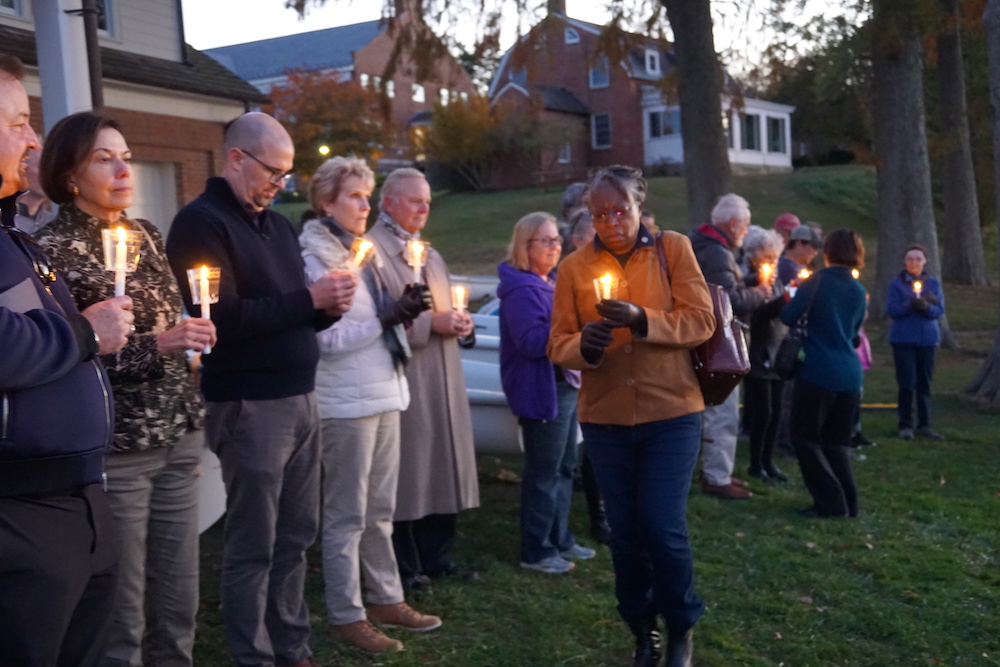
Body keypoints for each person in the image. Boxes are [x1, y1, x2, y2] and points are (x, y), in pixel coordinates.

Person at [166, 112, 356, 667]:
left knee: (297, 534)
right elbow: (221, 318)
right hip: (249, 402)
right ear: (236, 159)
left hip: (300, 394)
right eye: (273, 172)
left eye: (287, 175)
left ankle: (292, 645)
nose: (280, 184)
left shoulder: (277, 225)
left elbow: (290, 310)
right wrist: (310, 302)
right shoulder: (199, 224)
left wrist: (324, 310)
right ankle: (254, 654)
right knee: (254, 541)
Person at [33, 112, 216, 667]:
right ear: (69, 175)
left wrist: (191, 344)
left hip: (178, 430)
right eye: (103, 158)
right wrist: (158, 346)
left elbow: (164, 325)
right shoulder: (52, 251)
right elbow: (69, 361)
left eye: (126, 157)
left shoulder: (145, 235)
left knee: (180, 593)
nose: (121, 169)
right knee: (124, 605)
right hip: (122, 447)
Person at [548, 165, 715, 667]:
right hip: (607, 419)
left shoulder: (673, 250)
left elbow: (702, 320)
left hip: (671, 411)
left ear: (640, 206)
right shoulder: (575, 267)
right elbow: (557, 343)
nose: (611, 222)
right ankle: (642, 630)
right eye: (600, 213)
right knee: (625, 532)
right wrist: (587, 346)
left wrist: (644, 320)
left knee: (662, 526)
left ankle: (681, 624)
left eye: (620, 210)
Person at [0, 54, 133, 667]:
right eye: (19, 122)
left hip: (80, 501)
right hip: (22, 519)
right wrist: (84, 333)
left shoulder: (13, 240)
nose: (32, 138)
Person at [299, 156, 441, 654]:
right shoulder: (316, 259)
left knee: (381, 508)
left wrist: (405, 312)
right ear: (327, 203)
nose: (366, 204)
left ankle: (385, 597)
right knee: (345, 515)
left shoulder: (366, 253)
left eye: (367, 194)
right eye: (356, 196)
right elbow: (328, 342)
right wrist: (385, 318)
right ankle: (346, 613)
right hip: (344, 402)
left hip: (385, 390)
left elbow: (381, 324)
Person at [366, 168, 480, 594]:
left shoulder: (428, 253)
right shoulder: (374, 251)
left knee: (440, 466)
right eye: (415, 200)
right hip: (406, 376)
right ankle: (406, 564)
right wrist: (434, 321)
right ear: (388, 202)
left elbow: (446, 306)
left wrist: (461, 322)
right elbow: (378, 318)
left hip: (443, 374)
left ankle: (437, 554)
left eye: (428, 201)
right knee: (410, 472)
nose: (424, 208)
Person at [498, 211, 596, 574]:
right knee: (544, 470)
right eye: (547, 240)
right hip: (542, 387)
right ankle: (536, 550)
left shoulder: (550, 282)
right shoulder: (521, 288)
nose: (556, 246)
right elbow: (529, 342)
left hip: (565, 384)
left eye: (557, 239)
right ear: (526, 245)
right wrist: (573, 323)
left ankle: (561, 538)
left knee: (567, 466)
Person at [780, 229, 867, 518]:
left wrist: (790, 293)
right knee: (836, 442)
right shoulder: (858, 290)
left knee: (804, 438)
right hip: (851, 374)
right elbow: (854, 333)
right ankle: (849, 502)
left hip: (819, 369)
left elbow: (789, 316)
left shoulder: (817, 281)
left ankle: (830, 501)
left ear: (828, 251)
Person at [689, 193, 770, 500]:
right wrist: (760, 292)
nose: (746, 233)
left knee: (713, 411)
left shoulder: (704, 246)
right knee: (721, 412)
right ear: (733, 223)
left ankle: (717, 471)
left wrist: (747, 281)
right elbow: (728, 302)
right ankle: (716, 476)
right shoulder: (716, 253)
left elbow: (724, 287)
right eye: (745, 226)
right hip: (715, 346)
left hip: (703, 342)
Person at [739, 226, 789, 483]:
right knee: (764, 412)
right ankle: (756, 463)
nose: (771, 262)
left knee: (777, 411)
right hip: (757, 352)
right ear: (753, 256)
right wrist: (781, 303)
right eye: (766, 257)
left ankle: (769, 461)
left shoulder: (776, 280)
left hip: (778, 351)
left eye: (774, 257)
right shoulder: (748, 280)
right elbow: (755, 313)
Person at [887, 244, 945, 440]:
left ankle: (925, 424)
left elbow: (939, 311)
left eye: (918, 259)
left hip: (927, 340)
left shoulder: (934, 284)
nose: (914, 263)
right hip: (903, 339)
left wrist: (927, 307)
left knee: (924, 383)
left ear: (925, 261)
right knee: (907, 383)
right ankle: (905, 424)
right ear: (905, 262)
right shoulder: (896, 284)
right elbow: (893, 311)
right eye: (910, 259)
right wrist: (911, 304)